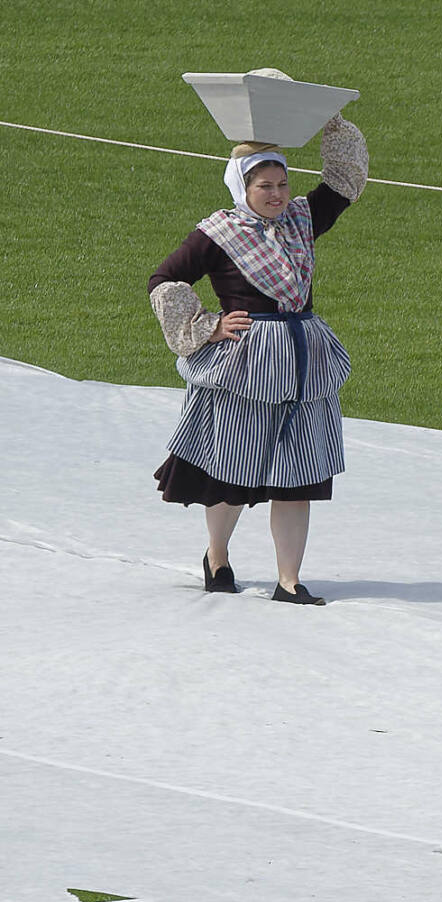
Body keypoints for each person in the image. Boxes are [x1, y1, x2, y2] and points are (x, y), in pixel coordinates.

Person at [148, 69, 368, 606]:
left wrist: (326, 120)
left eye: (282, 183)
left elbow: (344, 181)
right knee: (231, 469)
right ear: (242, 187)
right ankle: (217, 557)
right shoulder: (217, 233)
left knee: (300, 476)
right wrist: (207, 327)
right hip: (245, 367)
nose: (276, 194)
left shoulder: (302, 219)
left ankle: (289, 581)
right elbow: (163, 279)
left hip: (303, 363)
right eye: (264, 186)